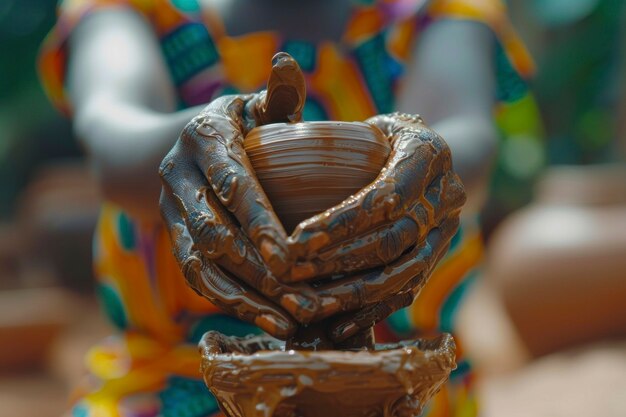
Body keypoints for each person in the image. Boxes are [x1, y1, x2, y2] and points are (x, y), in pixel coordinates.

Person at [38, 0, 534, 416]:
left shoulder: (436, 15)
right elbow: (113, 139)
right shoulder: (133, 12)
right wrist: (192, 144)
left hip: (402, 382)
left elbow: (470, 138)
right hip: (174, 384)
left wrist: (434, 155)